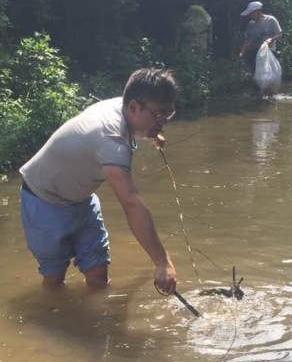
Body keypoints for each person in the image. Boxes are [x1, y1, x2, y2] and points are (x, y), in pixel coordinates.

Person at [19, 68, 180, 294]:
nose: (163, 121)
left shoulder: (123, 105)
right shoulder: (111, 139)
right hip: (43, 200)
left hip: (82, 200)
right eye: (159, 115)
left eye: (168, 114)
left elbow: (132, 124)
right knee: (54, 278)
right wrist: (163, 262)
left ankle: (97, 325)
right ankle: (54, 322)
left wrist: (150, 133)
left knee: (98, 276)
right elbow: (131, 203)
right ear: (133, 107)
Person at [238, 1, 282, 65]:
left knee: (268, 74)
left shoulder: (271, 20)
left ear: (258, 11)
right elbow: (247, 39)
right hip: (255, 53)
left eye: (251, 13)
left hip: (269, 52)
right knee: (256, 73)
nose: (250, 15)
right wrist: (242, 53)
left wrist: (271, 39)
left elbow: (279, 34)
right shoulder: (251, 24)